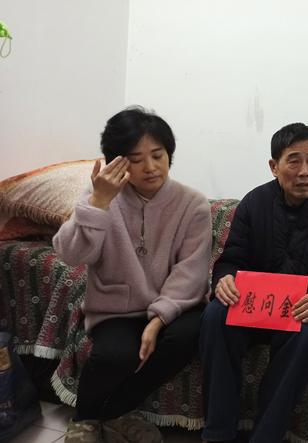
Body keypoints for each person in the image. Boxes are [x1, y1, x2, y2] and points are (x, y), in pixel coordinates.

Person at [53, 106, 212, 443]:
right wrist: (98, 203)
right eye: (136, 159)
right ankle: (86, 419)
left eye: (158, 155)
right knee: (116, 354)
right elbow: (71, 255)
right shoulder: (101, 196)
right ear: (117, 163)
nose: (150, 167)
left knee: (190, 334)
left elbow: (191, 271)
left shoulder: (193, 204)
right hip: (117, 308)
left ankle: (110, 412)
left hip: (175, 307)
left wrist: (157, 320)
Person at [200, 122, 308, 443]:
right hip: (257, 307)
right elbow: (231, 259)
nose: (305, 171)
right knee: (215, 316)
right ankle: (217, 433)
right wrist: (224, 279)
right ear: (274, 166)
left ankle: (266, 436)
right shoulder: (254, 203)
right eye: (294, 161)